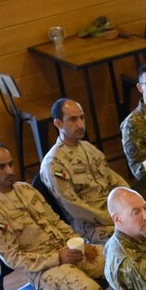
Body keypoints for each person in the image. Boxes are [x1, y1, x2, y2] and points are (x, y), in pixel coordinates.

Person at [0, 142, 114, 290]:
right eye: (1, 167)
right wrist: (58, 257)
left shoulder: (25, 189)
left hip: (69, 250)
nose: (9, 171)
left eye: (10, 164)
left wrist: (80, 243)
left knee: (118, 259)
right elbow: (14, 259)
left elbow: (56, 221)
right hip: (43, 270)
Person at [40, 97, 125, 240]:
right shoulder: (54, 163)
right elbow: (75, 208)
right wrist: (111, 218)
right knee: (133, 238)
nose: (80, 124)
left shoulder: (89, 148)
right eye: (73, 119)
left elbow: (113, 179)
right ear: (58, 123)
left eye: (81, 118)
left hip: (113, 212)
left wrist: (131, 201)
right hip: (91, 226)